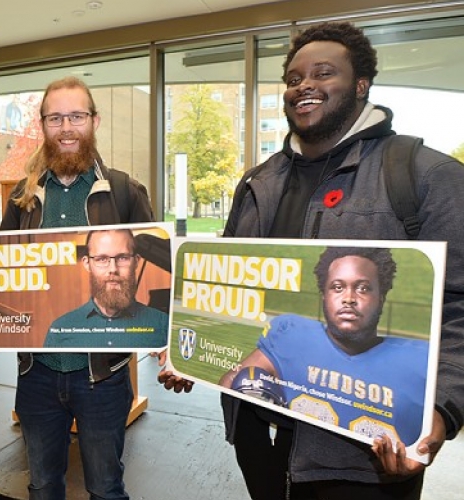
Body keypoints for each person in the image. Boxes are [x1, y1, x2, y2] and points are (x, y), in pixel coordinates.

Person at [157, 21, 464, 500]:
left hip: (360, 458)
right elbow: (229, 292)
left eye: (324, 73)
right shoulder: (258, 182)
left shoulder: (427, 177)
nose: (305, 86)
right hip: (259, 435)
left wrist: (440, 414)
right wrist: (188, 352)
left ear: (361, 85)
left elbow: (458, 314)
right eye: (294, 78)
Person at [0, 76, 155, 500]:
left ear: (95, 121)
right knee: (43, 487)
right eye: (55, 118)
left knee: (106, 489)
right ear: (43, 124)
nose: (66, 128)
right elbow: (0, 274)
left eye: (76, 116)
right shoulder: (22, 199)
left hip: (102, 376)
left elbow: (155, 275)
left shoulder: (124, 191)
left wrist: (166, 342)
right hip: (37, 374)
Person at [219, 246, 428, 447]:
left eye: (363, 288)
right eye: (337, 287)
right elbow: (233, 378)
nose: (349, 299)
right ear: (324, 296)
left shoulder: (419, 359)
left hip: (376, 477)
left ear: (381, 299)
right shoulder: (291, 334)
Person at [44, 228, 169, 349]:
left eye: (122, 258)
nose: (113, 269)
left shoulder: (164, 326)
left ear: (136, 262)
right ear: (87, 264)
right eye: (102, 259)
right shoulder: (59, 332)